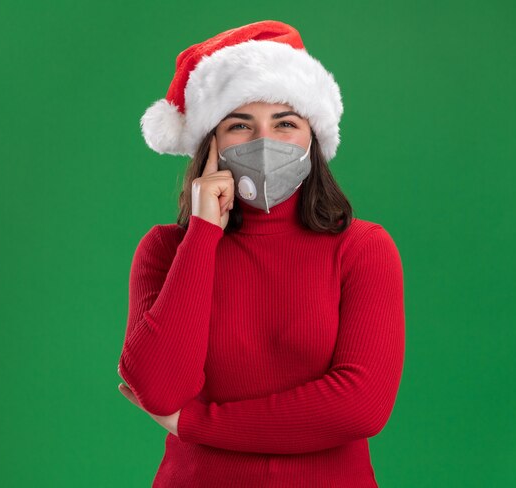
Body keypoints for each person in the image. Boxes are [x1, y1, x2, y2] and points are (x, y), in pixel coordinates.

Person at [117, 20, 406, 488]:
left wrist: (196, 424)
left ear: (314, 139)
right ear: (210, 144)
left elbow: (360, 407)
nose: (263, 141)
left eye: (285, 123)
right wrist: (203, 233)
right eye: (239, 125)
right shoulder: (165, 251)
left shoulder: (363, 249)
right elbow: (158, 387)